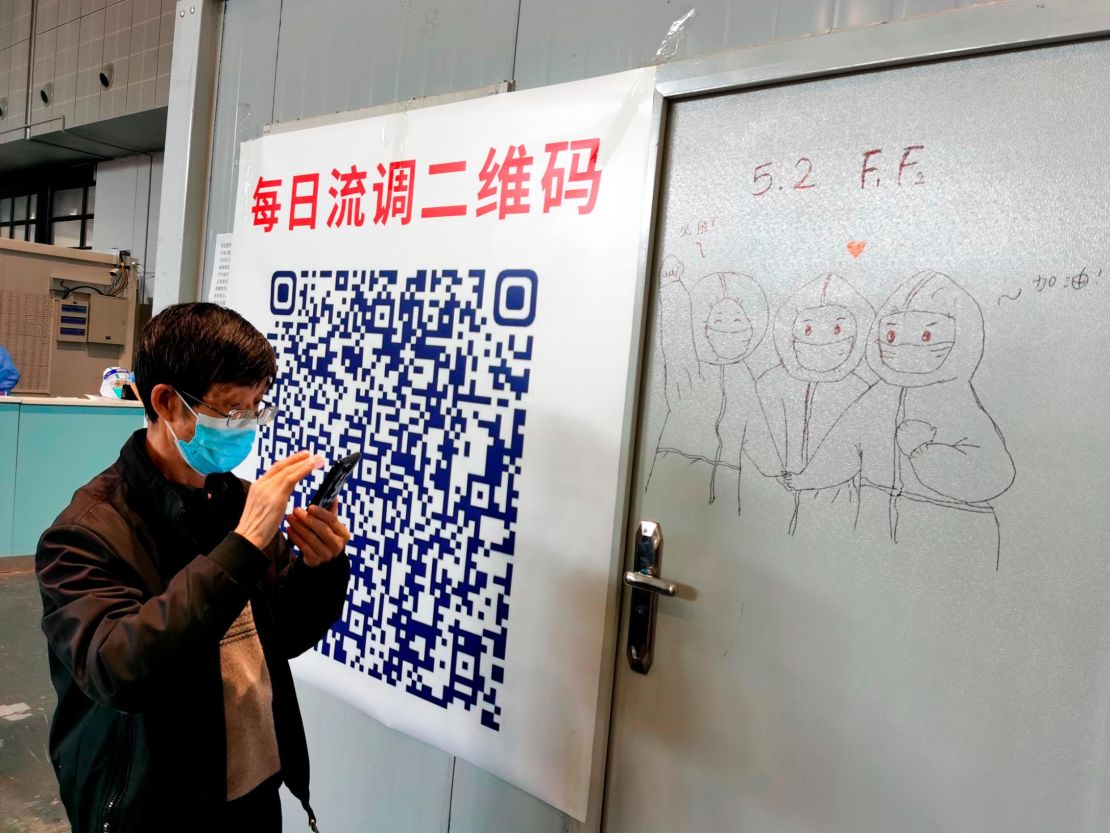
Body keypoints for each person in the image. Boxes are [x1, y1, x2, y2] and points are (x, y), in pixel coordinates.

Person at [35, 303, 352, 833]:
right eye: (231, 411)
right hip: (149, 801)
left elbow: (285, 635)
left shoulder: (241, 505)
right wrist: (243, 546)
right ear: (165, 402)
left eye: (256, 409)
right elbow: (119, 672)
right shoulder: (87, 531)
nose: (246, 427)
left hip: (252, 786)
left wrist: (321, 570)